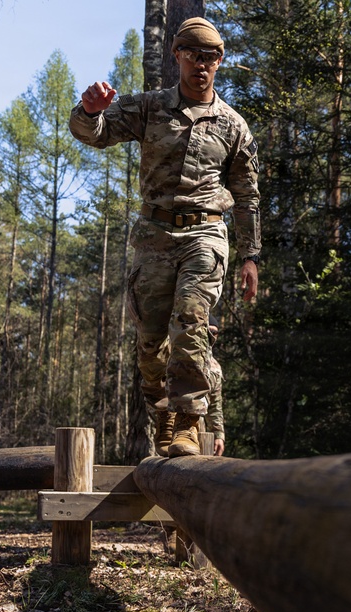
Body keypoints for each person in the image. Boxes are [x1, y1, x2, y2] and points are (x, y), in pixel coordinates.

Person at [70, 17, 260, 457]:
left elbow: (248, 196)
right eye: (193, 55)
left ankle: (189, 423)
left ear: (220, 61)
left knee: (191, 321)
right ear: (177, 56)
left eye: (210, 57)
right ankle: (164, 415)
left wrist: (250, 255)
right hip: (154, 236)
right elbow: (94, 134)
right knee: (151, 342)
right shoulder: (150, 107)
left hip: (205, 234)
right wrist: (90, 111)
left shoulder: (233, 126)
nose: (201, 64)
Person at [205, 314, 226, 456]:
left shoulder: (215, 368)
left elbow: (215, 405)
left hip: (198, 430)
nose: (211, 336)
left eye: (215, 332)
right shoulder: (178, 356)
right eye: (208, 331)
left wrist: (218, 435)